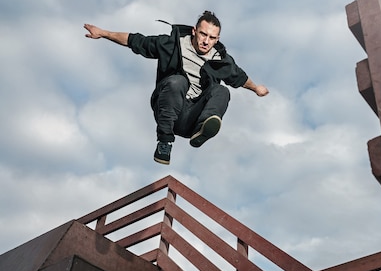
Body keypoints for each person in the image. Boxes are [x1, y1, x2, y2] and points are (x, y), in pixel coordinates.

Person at [84, 11, 269, 165]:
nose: (206, 41)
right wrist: (104, 33)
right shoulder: (172, 44)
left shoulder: (221, 60)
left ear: (217, 39)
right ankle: (164, 143)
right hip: (168, 110)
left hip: (190, 120)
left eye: (212, 38)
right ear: (195, 31)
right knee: (178, 81)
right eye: (203, 34)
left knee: (223, 91)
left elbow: (239, 77)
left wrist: (256, 89)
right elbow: (136, 41)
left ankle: (202, 128)